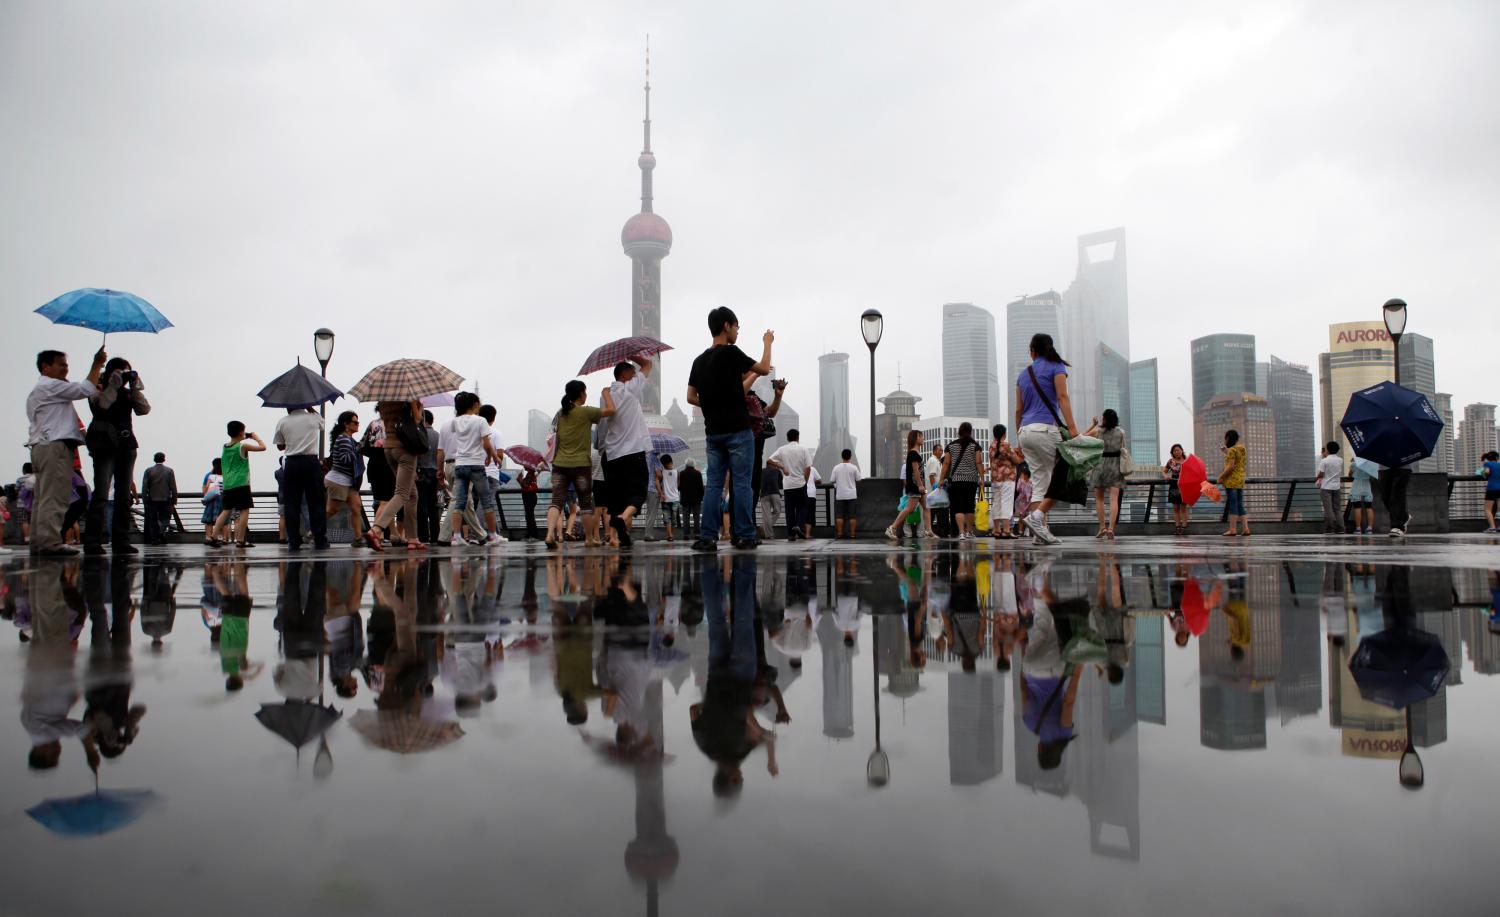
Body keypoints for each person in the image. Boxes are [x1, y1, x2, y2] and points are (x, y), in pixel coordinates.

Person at [686, 306, 773, 551]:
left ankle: (708, 537)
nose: (737, 331)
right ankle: (744, 534)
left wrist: (712, 403)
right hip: (738, 431)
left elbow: (691, 397)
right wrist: (767, 342)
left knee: (714, 485)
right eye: (736, 327)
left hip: (713, 434)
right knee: (742, 484)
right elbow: (764, 368)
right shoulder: (731, 353)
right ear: (726, 326)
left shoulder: (699, 361)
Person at [28, 348, 107, 556]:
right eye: (61, 364)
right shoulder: (51, 386)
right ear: (46, 367)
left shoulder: (40, 390)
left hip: (41, 447)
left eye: (66, 365)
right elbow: (85, 389)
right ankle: (50, 543)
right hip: (55, 447)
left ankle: (39, 542)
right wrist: (97, 363)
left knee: (42, 498)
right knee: (55, 497)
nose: (65, 369)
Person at [82, 356, 150, 555]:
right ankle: (92, 541)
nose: (123, 376)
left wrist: (135, 387)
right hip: (104, 446)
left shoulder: (128, 393)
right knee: (101, 493)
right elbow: (101, 407)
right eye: (120, 372)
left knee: (123, 496)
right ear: (110, 372)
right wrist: (112, 386)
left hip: (127, 445)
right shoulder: (97, 389)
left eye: (126, 372)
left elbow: (144, 409)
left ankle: (121, 540)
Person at [1014, 333, 1077, 547]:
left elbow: (1018, 410)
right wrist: (1073, 428)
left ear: (1033, 351)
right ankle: (1037, 517)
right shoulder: (1056, 367)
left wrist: (1019, 439)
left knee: (1040, 483)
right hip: (1045, 429)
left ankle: (1039, 534)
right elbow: (1062, 397)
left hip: (1025, 431)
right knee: (1061, 480)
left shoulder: (1023, 375)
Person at [546, 380, 615, 550]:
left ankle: (549, 535)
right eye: (585, 391)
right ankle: (589, 539)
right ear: (581, 394)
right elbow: (611, 411)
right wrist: (606, 394)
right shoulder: (586, 412)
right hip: (580, 465)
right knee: (585, 504)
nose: (586, 395)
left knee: (556, 501)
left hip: (559, 464)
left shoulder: (561, 413)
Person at [436, 393, 503, 548]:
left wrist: (440, 469)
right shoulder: (479, 421)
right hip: (473, 464)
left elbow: (442, 449)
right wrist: (492, 456)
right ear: (473, 405)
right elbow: (486, 444)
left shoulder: (451, 423)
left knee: (462, 502)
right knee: (480, 501)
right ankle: (491, 535)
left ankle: (468, 536)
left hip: (455, 465)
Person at [601, 358, 653, 548]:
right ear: (624, 375)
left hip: (612, 454)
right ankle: (624, 517)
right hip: (633, 452)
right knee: (638, 492)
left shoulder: (606, 395)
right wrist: (634, 355)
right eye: (632, 371)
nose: (635, 374)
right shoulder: (630, 389)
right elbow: (648, 365)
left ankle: (617, 538)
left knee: (616, 497)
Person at [365, 398, 426, 552]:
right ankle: (376, 529)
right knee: (402, 493)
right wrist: (419, 408)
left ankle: (413, 538)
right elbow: (417, 420)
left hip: (389, 449)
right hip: (405, 448)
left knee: (412, 494)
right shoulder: (408, 399)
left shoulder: (383, 401)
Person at [273, 407, 329, 551]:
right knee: (316, 502)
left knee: (292, 504)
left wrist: (292, 440)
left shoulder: (282, 422)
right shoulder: (314, 417)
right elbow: (322, 424)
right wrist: (310, 407)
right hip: (311, 462)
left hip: (292, 463)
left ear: (288, 407)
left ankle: (293, 541)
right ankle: (320, 539)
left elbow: (280, 446)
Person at [210, 421, 267, 547]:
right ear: (241, 432)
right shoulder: (243, 446)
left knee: (226, 511)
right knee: (244, 511)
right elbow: (263, 447)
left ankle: (213, 536)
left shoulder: (225, 447)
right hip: (241, 483)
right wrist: (256, 438)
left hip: (228, 484)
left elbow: (235, 441)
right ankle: (240, 540)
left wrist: (243, 436)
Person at [885, 429, 937, 540]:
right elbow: (915, 471)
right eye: (921, 436)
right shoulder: (913, 453)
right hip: (915, 486)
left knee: (927, 506)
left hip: (919, 486)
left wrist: (922, 485)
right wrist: (920, 485)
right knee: (910, 508)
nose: (923, 438)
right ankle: (892, 528)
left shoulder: (915, 453)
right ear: (916, 438)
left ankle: (928, 531)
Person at [324, 411, 365, 546]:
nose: (357, 425)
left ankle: (358, 538)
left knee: (356, 507)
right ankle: (313, 531)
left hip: (348, 482)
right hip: (339, 480)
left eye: (358, 422)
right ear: (346, 424)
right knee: (332, 510)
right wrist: (358, 449)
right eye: (355, 422)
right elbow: (345, 459)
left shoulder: (349, 439)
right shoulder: (344, 439)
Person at [1084, 409, 1126, 540]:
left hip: (1100, 465)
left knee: (1099, 499)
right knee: (1114, 499)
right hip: (1115, 466)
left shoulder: (1098, 431)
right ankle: (1111, 529)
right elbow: (1123, 449)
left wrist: (1092, 425)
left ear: (1105, 419)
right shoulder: (1121, 432)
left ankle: (1102, 527)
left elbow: (1081, 438)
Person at [766, 429, 813, 542]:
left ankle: (791, 535)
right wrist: (805, 481)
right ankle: (799, 525)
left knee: (790, 510)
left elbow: (769, 460)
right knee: (803, 507)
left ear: (787, 438)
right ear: (798, 437)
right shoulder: (803, 449)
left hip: (787, 485)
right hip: (800, 483)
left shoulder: (782, 449)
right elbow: (808, 468)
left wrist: (782, 467)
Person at [939, 423, 983, 540]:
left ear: (959, 431)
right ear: (970, 431)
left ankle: (961, 533)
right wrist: (982, 478)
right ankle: (969, 531)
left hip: (956, 480)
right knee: (969, 506)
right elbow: (978, 462)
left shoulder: (951, 446)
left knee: (958, 507)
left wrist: (941, 479)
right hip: (971, 480)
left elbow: (946, 463)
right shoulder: (975, 446)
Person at [478, 404, 510, 543]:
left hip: (477, 472)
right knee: (486, 504)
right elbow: (500, 454)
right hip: (491, 474)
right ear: (493, 418)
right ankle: (479, 534)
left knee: (485, 504)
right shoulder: (496, 433)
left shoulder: (476, 432)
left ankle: (495, 533)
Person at [988, 425, 1022, 539]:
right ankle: (1006, 530)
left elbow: (993, 461)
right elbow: (1016, 460)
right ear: (1004, 434)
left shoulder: (991, 446)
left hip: (995, 479)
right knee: (1006, 503)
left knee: (996, 504)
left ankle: (997, 530)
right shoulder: (1006, 445)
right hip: (1007, 478)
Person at [415, 409, 442, 545]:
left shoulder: (420, 434)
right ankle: (435, 535)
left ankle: (423, 535)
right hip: (435, 472)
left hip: (421, 472)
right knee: (433, 505)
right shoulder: (438, 436)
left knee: (421, 505)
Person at [140, 452, 177, 546]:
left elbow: (144, 487)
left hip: (152, 499)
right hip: (166, 498)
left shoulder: (148, 471)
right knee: (165, 518)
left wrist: (144, 499)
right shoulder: (169, 471)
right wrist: (174, 498)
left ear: (154, 459)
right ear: (164, 459)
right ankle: (161, 531)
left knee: (153, 520)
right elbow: (173, 486)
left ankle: (155, 539)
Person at [1218, 429, 1250, 537]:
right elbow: (1236, 458)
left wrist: (1221, 477)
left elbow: (1231, 467)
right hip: (1240, 479)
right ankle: (1246, 529)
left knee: (1233, 504)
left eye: (1225, 438)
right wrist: (1226, 451)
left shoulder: (1232, 450)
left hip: (1231, 481)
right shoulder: (1241, 449)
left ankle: (1232, 529)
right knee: (1240, 504)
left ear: (1227, 438)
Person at [1314, 442, 1345, 535]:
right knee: (1337, 509)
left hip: (1326, 487)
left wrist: (1317, 477)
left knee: (1328, 509)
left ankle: (1329, 529)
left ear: (1327, 449)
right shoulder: (1340, 460)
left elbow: (1321, 474)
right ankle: (1341, 528)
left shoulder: (1324, 461)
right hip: (1337, 487)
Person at [830, 449, 861, 539]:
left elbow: (832, 480)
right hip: (852, 495)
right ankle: (852, 534)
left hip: (840, 494)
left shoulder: (836, 468)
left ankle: (840, 534)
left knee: (839, 515)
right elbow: (858, 479)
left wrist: (837, 485)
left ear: (842, 456)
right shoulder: (854, 467)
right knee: (852, 516)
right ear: (850, 456)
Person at [1349, 455, 1377, 535]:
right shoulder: (1369, 464)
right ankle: (1369, 528)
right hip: (1366, 485)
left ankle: (1358, 529)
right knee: (1369, 507)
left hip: (1356, 485)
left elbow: (1350, 474)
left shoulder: (1354, 464)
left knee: (1357, 507)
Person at [1163, 444, 1188, 535]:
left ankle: (1184, 528)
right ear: (1172, 452)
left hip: (1184, 485)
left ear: (1182, 450)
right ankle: (1177, 527)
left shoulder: (1187, 461)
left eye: (1178, 450)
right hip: (1173, 484)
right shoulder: (1171, 462)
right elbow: (1164, 471)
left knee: (1183, 508)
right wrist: (1166, 476)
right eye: (1174, 451)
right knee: (1175, 508)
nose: (1176, 452)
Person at [924, 443, 948, 537]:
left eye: (942, 450)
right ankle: (935, 532)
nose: (941, 452)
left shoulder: (935, 461)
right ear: (934, 451)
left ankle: (930, 531)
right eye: (940, 450)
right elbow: (931, 476)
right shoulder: (933, 461)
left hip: (934, 492)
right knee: (936, 512)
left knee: (932, 512)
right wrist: (935, 490)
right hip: (934, 492)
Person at [656, 454, 680, 542]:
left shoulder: (662, 472)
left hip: (665, 498)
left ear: (663, 464)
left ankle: (670, 535)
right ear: (671, 461)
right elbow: (678, 484)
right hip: (675, 498)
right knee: (673, 519)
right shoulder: (677, 472)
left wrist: (661, 493)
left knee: (668, 518)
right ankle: (670, 535)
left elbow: (657, 482)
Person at [757, 460, 783, 540]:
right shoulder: (777, 471)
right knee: (777, 511)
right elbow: (780, 485)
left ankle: (769, 535)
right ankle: (764, 529)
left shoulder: (761, 471)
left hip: (764, 494)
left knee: (766, 515)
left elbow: (758, 483)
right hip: (775, 493)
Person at [1476, 450, 1500, 534]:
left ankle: (1492, 528)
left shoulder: (1488, 464)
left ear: (1488, 458)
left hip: (1492, 488)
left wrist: (1482, 473)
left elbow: (1487, 472)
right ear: (1496, 458)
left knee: (1487, 509)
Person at [679, 459, 704, 536]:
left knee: (686, 517)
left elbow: (679, 486)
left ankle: (686, 534)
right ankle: (697, 533)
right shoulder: (698, 473)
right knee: (696, 517)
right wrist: (701, 497)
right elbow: (701, 487)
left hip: (685, 499)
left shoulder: (682, 473)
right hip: (696, 499)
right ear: (694, 464)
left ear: (686, 464)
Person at [201, 458, 223, 545]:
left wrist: (206, 496)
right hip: (222, 500)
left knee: (208, 520)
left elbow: (205, 487)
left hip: (211, 500)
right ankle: (218, 537)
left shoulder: (209, 475)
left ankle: (208, 537)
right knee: (220, 519)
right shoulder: (225, 474)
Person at [14, 463, 35, 545]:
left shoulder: (20, 479)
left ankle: (27, 539)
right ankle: (34, 538)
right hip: (34, 503)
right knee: (33, 521)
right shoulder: (36, 478)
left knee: (24, 521)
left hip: (21, 503)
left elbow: (16, 490)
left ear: (24, 470)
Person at [519, 467, 542, 541]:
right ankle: (530, 534)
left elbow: (525, 485)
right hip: (530, 496)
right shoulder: (531, 473)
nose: (524, 466)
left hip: (529, 496)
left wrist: (520, 478)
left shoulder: (530, 474)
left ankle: (533, 535)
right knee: (529, 516)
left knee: (529, 516)